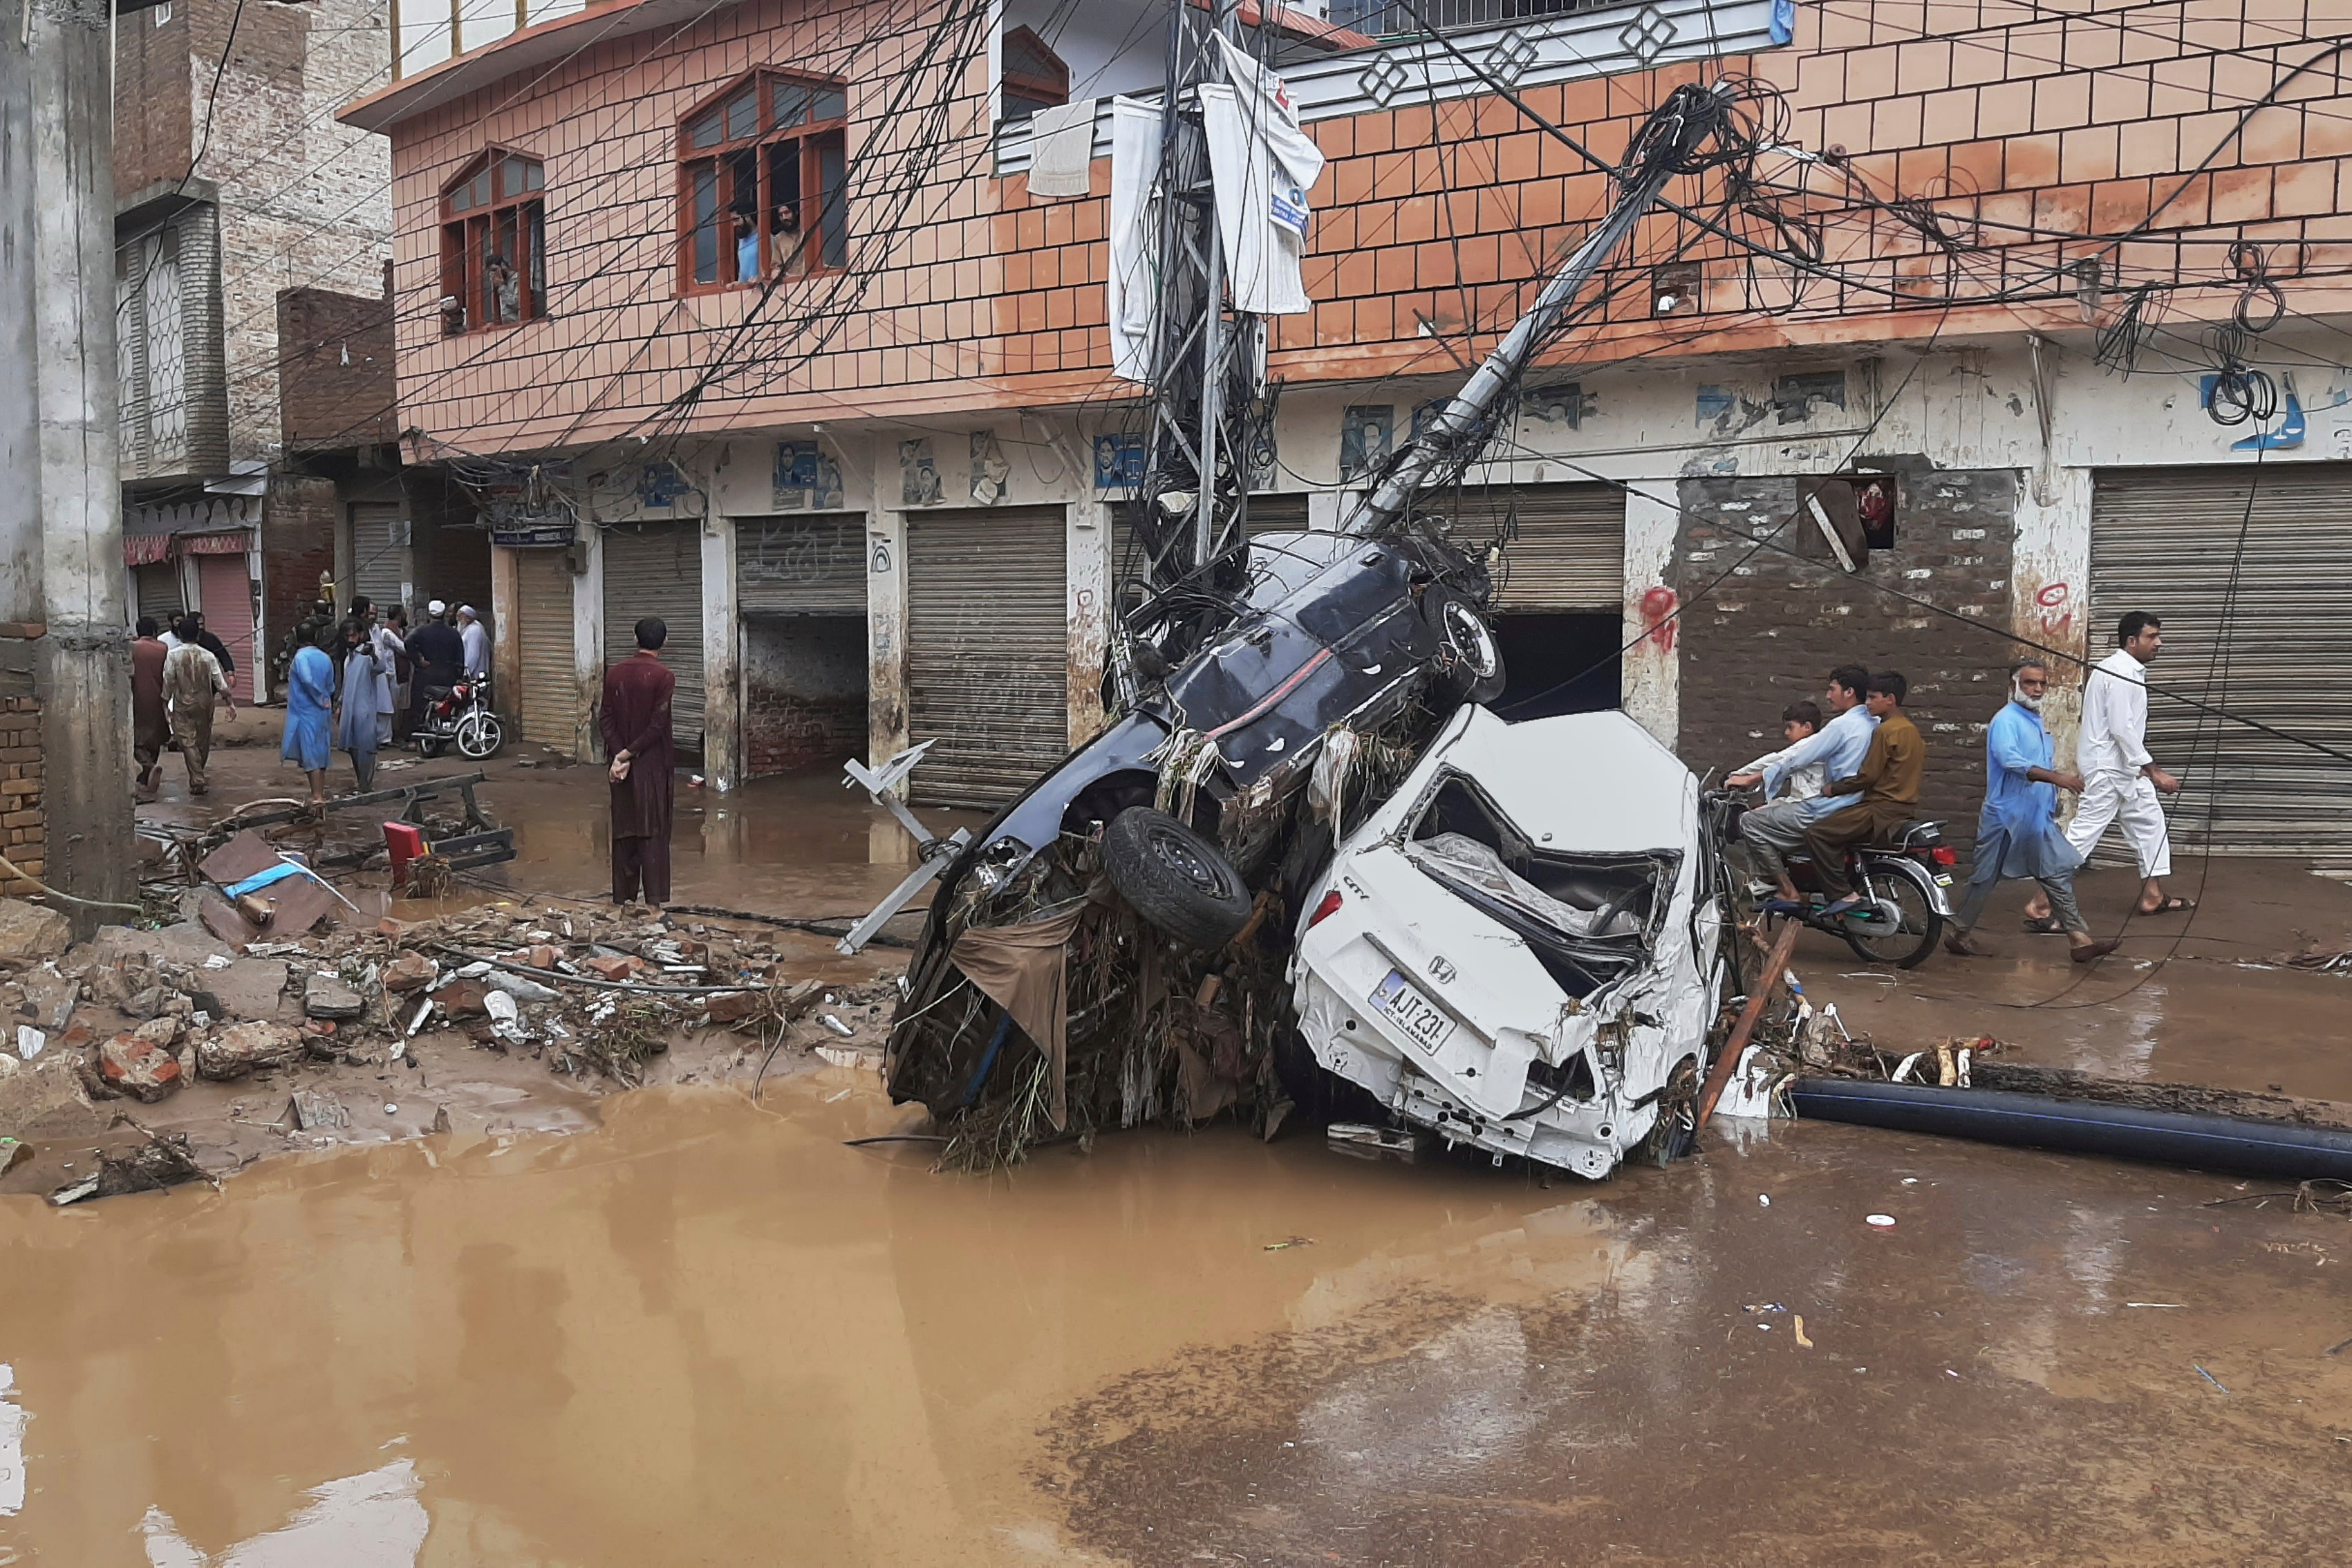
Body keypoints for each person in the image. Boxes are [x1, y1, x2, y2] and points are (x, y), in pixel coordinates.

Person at [1943, 662, 2121, 964]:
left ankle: (2079, 940)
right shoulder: (2006, 721)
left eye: (2041, 684)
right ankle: (1959, 934)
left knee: (2055, 874)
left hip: (2034, 817)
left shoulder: (2034, 720)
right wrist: (2057, 778)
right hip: (2005, 818)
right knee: (1984, 878)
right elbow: (2011, 761)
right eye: (2030, 683)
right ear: (2014, 684)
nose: (2037, 690)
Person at [2030, 610, 2188, 922]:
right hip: (2109, 771)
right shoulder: (2118, 672)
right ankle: (2040, 904)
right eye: (2152, 637)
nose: (2159, 643)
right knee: (2083, 836)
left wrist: (2142, 770)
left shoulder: (2128, 670)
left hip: (2126, 770)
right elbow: (2121, 728)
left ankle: (2153, 896)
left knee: (2151, 824)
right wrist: (2154, 771)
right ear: (2132, 641)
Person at [1726, 666, 1878, 902]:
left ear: (1849, 692)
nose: (1828, 696)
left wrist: (1749, 778)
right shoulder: (1874, 722)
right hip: (1857, 804)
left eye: (1832, 689)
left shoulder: (1842, 726)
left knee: (1749, 821)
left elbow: (1795, 759)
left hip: (1829, 806)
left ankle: (1787, 890)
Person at [1804, 671, 1923, 917]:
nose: (1867, 703)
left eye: (1872, 698)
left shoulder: (1885, 731)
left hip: (1880, 808)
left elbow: (1868, 777)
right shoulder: (1911, 730)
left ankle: (1841, 894)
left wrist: (1833, 789)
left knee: (1818, 834)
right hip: (1903, 807)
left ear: (1890, 699)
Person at [601, 616, 678, 909]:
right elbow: (658, 726)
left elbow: (605, 718)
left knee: (624, 828)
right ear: (665, 642)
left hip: (620, 767)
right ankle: (654, 904)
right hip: (651, 765)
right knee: (653, 829)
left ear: (636, 639)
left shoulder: (615, 673)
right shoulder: (664, 676)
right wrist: (629, 754)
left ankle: (624, 901)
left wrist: (619, 754)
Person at [161, 616, 236, 797]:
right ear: (198, 633)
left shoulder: (173, 655)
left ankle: (197, 777)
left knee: (187, 742)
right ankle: (198, 775)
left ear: (179, 634)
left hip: (183, 702)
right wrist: (230, 703)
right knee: (203, 741)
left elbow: (169, 680)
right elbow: (220, 683)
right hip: (205, 703)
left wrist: (165, 701)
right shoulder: (208, 655)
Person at [283, 622, 337, 810]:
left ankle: (317, 795)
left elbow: (307, 679)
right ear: (316, 638)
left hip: (306, 711)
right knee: (321, 751)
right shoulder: (325, 658)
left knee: (310, 754)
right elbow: (331, 685)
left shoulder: (300, 658)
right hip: (323, 711)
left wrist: (318, 697)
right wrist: (326, 699)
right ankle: (318, 791)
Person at [334, 619, 385, 792]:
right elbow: (347, 683)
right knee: (353, 748)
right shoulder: (350, 657)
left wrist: (372, 655)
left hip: (364, 709)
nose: (350, 639)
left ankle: (366, 785)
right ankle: (362, 783)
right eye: (347, 636)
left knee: (366, 749)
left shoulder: (367, 652)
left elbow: (381, 667)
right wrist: (340, 704)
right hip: (349, 709)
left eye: (353, 635)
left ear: (361, 635)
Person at [407, 600, 465, 733]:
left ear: (429, 614)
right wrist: (459, 677)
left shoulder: (421, 631)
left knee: (420, 706)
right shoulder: (453, 634)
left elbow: (408, 642)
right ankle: (443, 733)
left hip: (425, 676)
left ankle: (418, 736)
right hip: (447, 676)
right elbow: (460, 658)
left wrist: (418, 660)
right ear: (444, 614)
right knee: (445, 707)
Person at [131, 617, 169, 801]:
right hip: (159, 697)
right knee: (156, 738)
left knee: (136, 740)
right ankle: (148, 775)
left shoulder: (132, 648)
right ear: (155, 631)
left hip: (136, 697)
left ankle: (148, 767)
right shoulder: (163, 648)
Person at [380, 606, 412, 742]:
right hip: (393, 674)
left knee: (402, 706)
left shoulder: (401, 631)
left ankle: (398, 734)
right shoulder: (387, 632)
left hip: (403, 673)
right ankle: (392, 735)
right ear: (399, 616)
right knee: (393, 707)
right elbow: (404, 648)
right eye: (404, 614)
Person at [457, 604, 490, 681]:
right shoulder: (470, 628)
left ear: (468, 618)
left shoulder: (474, 630)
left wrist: (467, 673)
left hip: (475, 675)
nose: (458, 620)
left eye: (460, 617)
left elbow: (473, 654)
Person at [733, 209, 760, 283]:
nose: (734, 224)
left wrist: (759, 280)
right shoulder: (741, 241)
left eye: (736, 219)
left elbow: (773, 269)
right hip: (745, 291)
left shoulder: (765, 238)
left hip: (762, 290)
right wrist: (737, 284)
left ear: (748, 217)